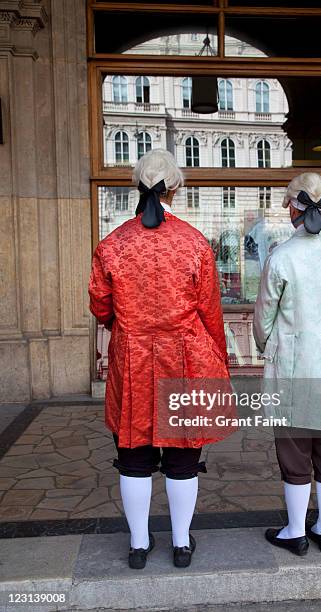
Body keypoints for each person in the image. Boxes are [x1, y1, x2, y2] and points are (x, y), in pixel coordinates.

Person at [88, 149, 230, 570]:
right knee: (183, 455)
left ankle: (137, 544)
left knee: (133, 454)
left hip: (132, 359)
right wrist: (219, 358)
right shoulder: (194, 242)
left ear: (137, 186)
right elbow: (209, 310)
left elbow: (100, 306)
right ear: (175, 188)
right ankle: (182, 544)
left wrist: (128, 327)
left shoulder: (111, 244)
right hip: (185, 359)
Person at [253, 172, 321, 557]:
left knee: (294, 446)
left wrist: (266, 346)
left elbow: (264, 319)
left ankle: (296, 531)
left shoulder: (281, 256)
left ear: (292, 207)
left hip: (294, 366)